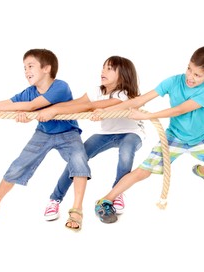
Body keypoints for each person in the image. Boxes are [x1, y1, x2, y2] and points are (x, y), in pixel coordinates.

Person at [0, 48, 90, 231]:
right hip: (43, 133)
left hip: (68, 133)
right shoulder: (29, 91)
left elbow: (32, 106)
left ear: (47, 68)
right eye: (24, 68)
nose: (26, 71)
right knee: (18, 166)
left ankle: (77, 209)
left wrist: (10, 110)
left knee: (79, 161)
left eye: (30, 66)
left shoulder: (60, 86)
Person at [93, 46, 204, 223]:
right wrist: (105, 111)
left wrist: (147, 116)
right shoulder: (173, 82)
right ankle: (105, 200)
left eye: (197, 75)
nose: (190, 77)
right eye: (189, 69)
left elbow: (179, 110)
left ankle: (202, 171)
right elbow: (139, 100)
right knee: (143, 172)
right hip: (173, 138)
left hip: (199, 140)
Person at [38, 56, 144, 221]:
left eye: (109, 68)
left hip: (131, 132)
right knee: (77, 159)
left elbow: (91, 106)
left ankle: (116, 193)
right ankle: (55, 199)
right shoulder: (97, 91)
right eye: (103, 67)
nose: (103, 71)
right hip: (106, 134)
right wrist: (50, 107)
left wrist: (56, 109)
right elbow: (78, 103)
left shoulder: (125, 94)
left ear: (123, 74)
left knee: (126, 152)